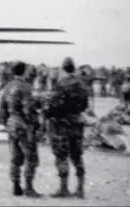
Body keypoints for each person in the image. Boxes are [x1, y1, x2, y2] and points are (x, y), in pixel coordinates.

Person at [43, 57, 89, 198]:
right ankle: (80, 188)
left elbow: (53, 103)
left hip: (62, 124)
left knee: (62, 155)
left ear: (63, 68)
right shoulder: (82, 85)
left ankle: (64, 188)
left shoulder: (62, 84)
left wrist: (48, 114)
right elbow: (85, 105)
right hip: (77, 122)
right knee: (77, 156)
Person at [0, 61, 41, 197]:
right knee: (31, 157)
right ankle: (28, 188)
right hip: (24, 126)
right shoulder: (25, 87)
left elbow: (2, 108)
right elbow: (28, 109)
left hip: (12, 124)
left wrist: (7, 123)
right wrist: (35, 124)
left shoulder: (8, 86)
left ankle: (16, 186)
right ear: (24, 71)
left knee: (15, 157)